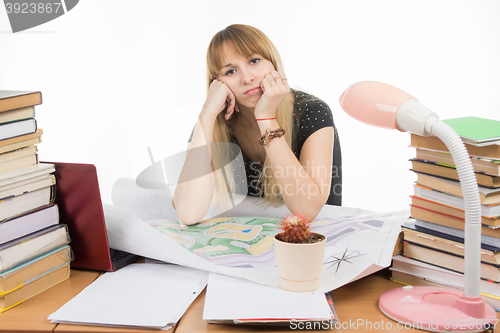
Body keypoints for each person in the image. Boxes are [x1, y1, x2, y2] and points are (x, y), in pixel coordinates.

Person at [173, 24, 341, 225]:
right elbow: (188, 213)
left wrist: (266, 117)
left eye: (254, 61)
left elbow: (307, 209)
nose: (247, 78)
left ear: (273, 63)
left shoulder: (313, 112)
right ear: (216, 84)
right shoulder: (214, 124)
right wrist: (207, 114)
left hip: (312, 244)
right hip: (248, 244)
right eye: (230, 71)